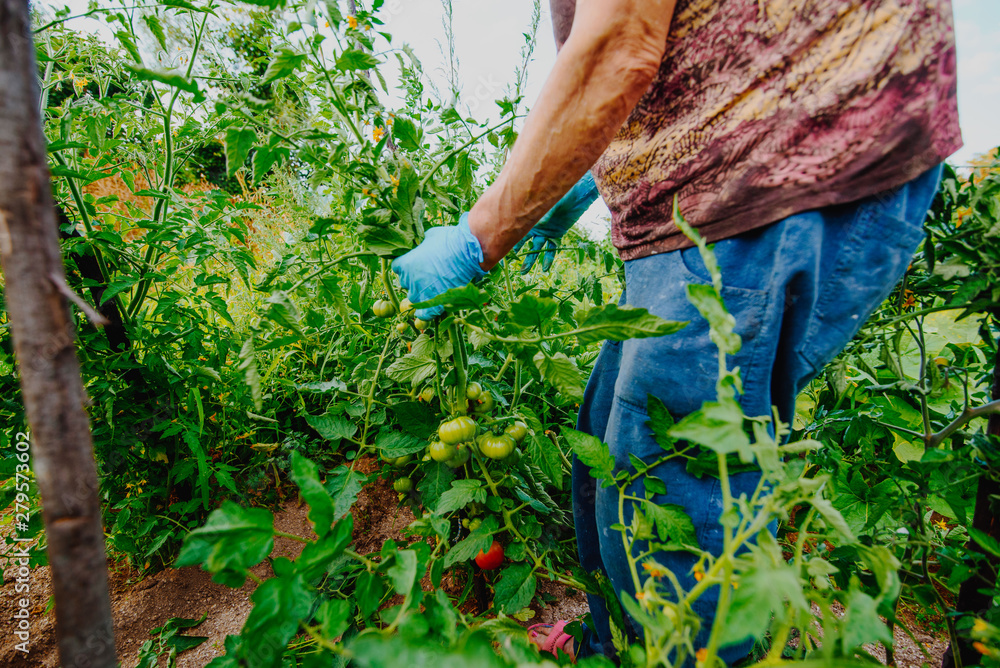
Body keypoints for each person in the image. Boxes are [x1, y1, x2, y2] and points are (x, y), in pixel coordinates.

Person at [393, 0, 961, 662]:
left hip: (776, 165)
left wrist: (481, 236)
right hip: (718, 185)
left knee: (672, 483)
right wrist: (558, 197)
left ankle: (677, 651)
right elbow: (632, 69)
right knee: (612, 443)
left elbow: (621, 44)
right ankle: (617, 645)